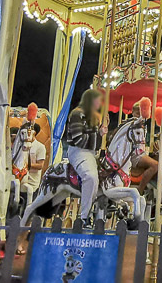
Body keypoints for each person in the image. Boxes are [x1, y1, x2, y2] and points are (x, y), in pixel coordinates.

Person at [66, 89, 107, 227]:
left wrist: (101, 130)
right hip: (79, 151)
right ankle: (84, 217)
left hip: (90, 152)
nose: (99, 103)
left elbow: (94, 141)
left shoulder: (92, 116)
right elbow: (78, 139)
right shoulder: (77, 114)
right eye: (97, 100)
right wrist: (99, 134)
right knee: (90, 177)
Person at [21, 124, 46, 197]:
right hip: (20, 181)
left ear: (33, 133)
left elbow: (40, 165)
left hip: (32, 183)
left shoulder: (40, 147)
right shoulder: (21, 145)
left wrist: (27, 165)